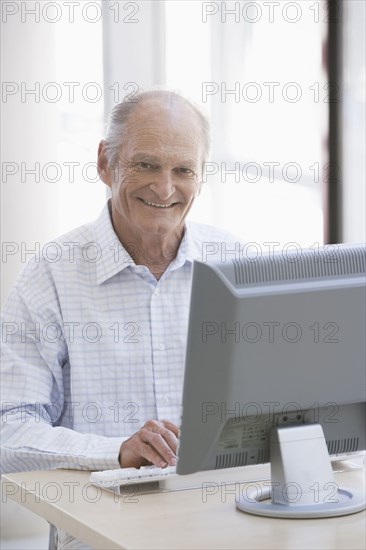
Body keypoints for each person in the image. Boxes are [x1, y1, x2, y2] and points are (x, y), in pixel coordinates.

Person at [1, 90, 239, 548]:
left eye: (183, 170)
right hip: (102, 538)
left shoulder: (235, 264)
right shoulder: (49, 276)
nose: (165, 188)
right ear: (105, 163)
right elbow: (7, 432)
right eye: (146, 164)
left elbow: (280, 413)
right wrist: (116, 452)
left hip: (225, 528)